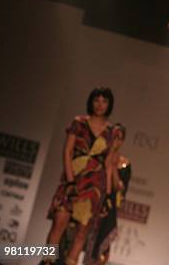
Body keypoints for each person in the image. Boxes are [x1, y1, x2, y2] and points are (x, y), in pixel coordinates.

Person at [43, 87, 125, 265]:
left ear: (110, 105)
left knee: (82, 230)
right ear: (91, 102)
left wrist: (107, 195)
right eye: (97, 100)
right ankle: (47, 261)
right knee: (59, 222)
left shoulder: (113, 132)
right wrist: (70, 180)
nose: (100, 104)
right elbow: (67, 151)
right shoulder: (78, 122)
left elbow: (109, 164)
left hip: (95, 183)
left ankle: (71, 262)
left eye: (104, 101)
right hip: (73, 176)